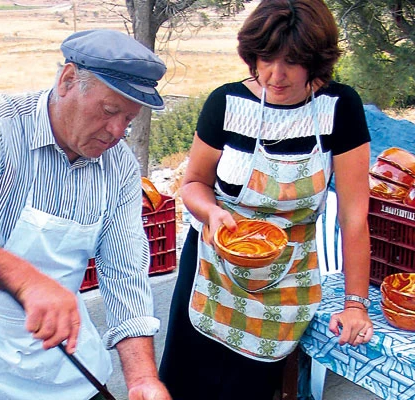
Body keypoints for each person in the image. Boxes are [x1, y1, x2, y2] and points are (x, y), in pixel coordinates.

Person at [0, 29, 172, 400]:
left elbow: (125, 273)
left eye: (129, 119)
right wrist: (28, 282)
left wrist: (142, 379)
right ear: (68, 80)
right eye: (110, 111)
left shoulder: (118, 167)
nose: (116, 131)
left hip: (58, 343)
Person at [158, 1, 374, 399]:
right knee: (185, 384)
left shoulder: (339, 109)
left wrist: (355, 303)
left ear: (316, 61)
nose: (276, 74)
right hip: (211, 269)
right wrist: (211, 212)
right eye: (266, 58)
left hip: (284, 277)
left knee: (250, 390)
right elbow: (193, 184)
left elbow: (354, 217)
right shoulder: (225, 103)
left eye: (292, 62)